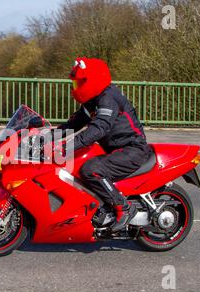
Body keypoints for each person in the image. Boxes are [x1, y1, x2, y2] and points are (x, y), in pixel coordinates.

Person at [58, 57, 152, 233]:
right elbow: (72, 125)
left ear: (93, 79)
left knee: (91, 169)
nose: (76, 88)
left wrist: (65, 148)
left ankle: (124, 207)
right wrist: (45, 137)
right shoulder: (93, 100)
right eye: (75, 84)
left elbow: (99, 128)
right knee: (76, 165)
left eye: (79, 83)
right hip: (114, 148)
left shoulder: (107, 99)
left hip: (132, 149)